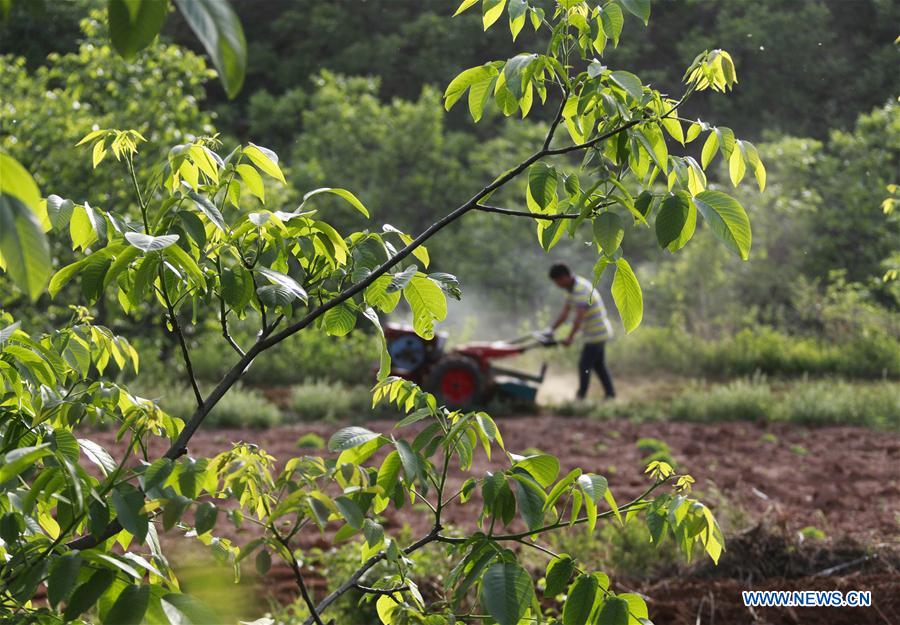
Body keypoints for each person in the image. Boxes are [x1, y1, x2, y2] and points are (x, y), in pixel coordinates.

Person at [548, 262, 616, 400]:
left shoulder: (581, 289)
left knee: (584, 365)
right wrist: (551, 330)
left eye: (557, 281)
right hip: (596, 332)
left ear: (564, 277)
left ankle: (581, 397)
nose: (557, 285)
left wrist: (570, 337)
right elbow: (565, 313)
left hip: (596, 333)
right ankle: (610, 395)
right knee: (599, 366)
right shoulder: (571, 289)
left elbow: (578, 318)